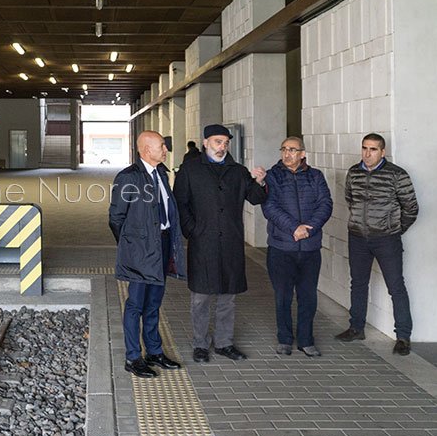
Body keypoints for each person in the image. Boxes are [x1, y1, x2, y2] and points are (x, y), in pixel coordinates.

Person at [173, 124, 268, 363]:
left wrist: (259, 181)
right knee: (201, 297)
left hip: (230, 243)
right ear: (205, 142)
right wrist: (192, 230)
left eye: (225, 143)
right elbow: (180, 203)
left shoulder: (238, 171)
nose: (222, 147)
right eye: (217, 142)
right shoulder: (190, 170)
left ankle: (224, 343)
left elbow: (256, 198)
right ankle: (200, 344)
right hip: (202, 241)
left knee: (228, 297)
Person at [110, 131, 187, 378]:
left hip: (161, 246)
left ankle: (154, 352)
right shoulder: (128, 177)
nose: (165, 150)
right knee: (135, 304)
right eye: (161, 146)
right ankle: (133, 357)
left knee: (154, 303)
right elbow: (116, 218)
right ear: (146, 150)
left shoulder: (161, 173)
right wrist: (131, 246)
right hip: (140, 251)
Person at [335, 133, 418, 355]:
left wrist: (394, 229)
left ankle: (403, 337)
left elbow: (411, 208)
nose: (367, 153)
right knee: (358, 283)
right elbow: (350, 200)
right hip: (358, 238)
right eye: (364, 148)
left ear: (382, 152)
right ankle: (356, 328)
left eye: (373, 149)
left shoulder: (397, 174)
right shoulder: (354, 172)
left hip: (386, 239)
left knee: (396, 286)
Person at [261, 137, 333, 357]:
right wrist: (294, 228)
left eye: (292, 150)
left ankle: (306, 340)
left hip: (310, 247)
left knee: (308, 296)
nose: (287, 154)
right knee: (282, 296)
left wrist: (309, 228)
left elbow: (325, 204)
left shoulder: (315, 176)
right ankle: (284, 339)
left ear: (302, 154)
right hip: (281, 247)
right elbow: (270, 207)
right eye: (284, 149)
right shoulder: (272, 176)